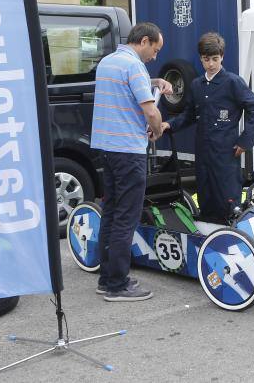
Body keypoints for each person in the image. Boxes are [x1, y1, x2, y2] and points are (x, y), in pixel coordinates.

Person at [91, 22, 172, 302]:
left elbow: (126, 88)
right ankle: (117, 284)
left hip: (106, 148)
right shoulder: (134, 66)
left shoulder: (109, 62)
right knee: (127, 216)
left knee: (111, 213)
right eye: (155, 50)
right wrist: (158, 130)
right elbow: (151, 112)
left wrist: (155, 82)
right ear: (145, 41)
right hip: (128, 150)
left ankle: (106, 278)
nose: (155, 57)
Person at [164, 32, 254, 223]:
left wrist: (245, 141)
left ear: (222, 57)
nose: (210, 64)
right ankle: (208, 236)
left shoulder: (233, 82)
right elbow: (189, 115)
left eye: (215, 59)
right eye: (206, 59)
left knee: (227, 202)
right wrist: (168, 124)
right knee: (205, 198)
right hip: (203, 153)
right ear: (201, 58)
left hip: (226, 153)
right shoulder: (196, 85)